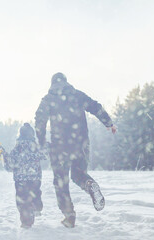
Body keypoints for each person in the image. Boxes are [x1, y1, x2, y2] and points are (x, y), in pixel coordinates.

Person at [35, 72, 116, 228]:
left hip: (60, 147)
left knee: (61, 182)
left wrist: (41, 141)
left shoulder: (48, 99)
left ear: (52, 84)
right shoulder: (77, 95)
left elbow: (40, 120)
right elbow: (95, 106)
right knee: (78, 174)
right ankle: (89, 183)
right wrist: (108, 123)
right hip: (80, 143)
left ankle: (69, 215)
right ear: (66, 81)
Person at [4, 123, 47, 229]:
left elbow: (9, 165)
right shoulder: (36, 147)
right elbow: (45, 155)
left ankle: (26, 221)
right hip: (35, 178)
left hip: (20, 179)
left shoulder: (17, 149)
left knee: (22, 200)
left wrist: (8, 165)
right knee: (35, 193)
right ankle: (37, 205)